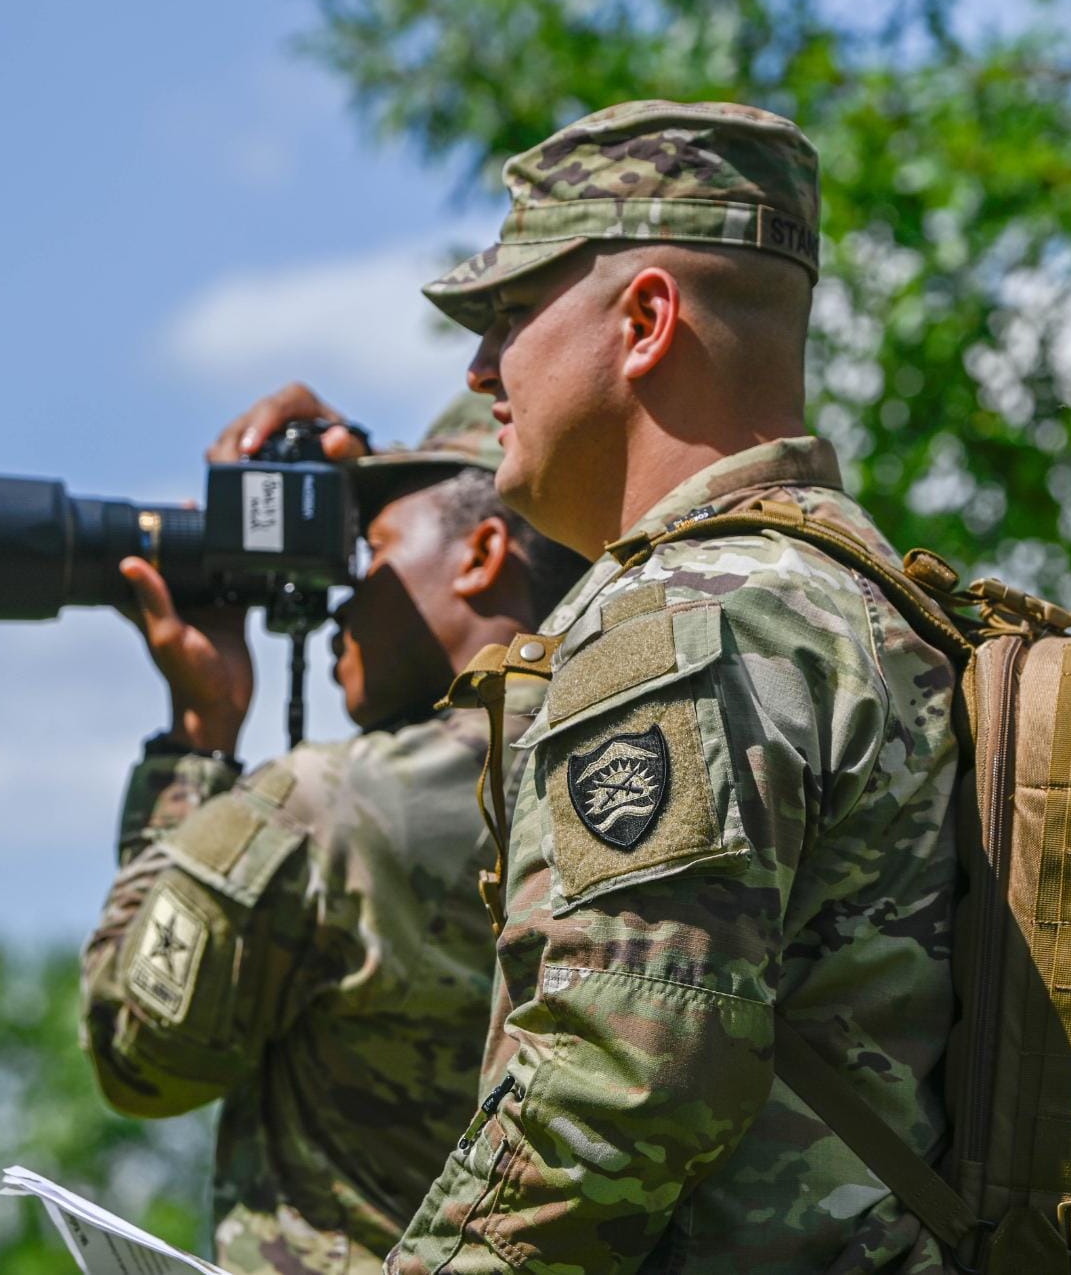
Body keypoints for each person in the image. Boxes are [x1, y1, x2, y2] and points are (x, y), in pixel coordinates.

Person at [235, 103, 961, 1274]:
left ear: (643, 320)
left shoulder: (681, 618)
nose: (480, 371)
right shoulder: (874, 598)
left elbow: (615, 1084)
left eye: (513, 317)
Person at [78, 391, 590, 1275]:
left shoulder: (327, 805)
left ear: (481, 554)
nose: (343, 600)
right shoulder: (635, 770)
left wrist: (196, 743)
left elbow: (137, 1051)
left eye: (376, 552)